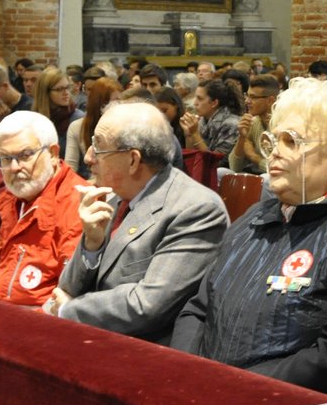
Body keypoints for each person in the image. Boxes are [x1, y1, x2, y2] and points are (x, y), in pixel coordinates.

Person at [173, 80, 327, 393]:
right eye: (274, 140)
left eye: (292, 142)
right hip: (202, 393)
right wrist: (194, 371)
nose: (275, 154)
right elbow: (197, 310)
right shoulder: (251, 221)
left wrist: (236, 387)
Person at [49, 101, 228, 343]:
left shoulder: (196, 209)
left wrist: (69, 310)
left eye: (98, 148)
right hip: (96, 338)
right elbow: (66, 288)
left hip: (148, 353)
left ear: (133, 160)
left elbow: (148, 305)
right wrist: (92, 244)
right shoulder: (114, 197)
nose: (89, 158)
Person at [0, 111, 85, 307]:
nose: (14, 167)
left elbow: (68, 298)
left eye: (25, 155)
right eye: (6, 159)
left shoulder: (78, 204)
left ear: (53, 154)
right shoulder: (14, 198)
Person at [65, 77, 122, 180]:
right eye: (116, 101)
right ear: (101, 103)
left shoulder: (124, 127)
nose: (120, 106)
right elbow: (70, 169)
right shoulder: (77, 127)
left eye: (121, 101)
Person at [229, 74, 280, 175]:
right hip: (257, 177)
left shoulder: (282, 124)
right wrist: (242, 138)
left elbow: (277, 170)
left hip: (277, 182)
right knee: (221, 172)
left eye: (253, 97)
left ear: (270, 100)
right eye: (247, 95)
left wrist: (253, 157)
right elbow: (234, 167)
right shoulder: (253, 121)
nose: (247, 101)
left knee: (265, 179)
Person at [181, 76, 242, 156]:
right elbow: (191, 158)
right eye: (195, 98)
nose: (195, 103)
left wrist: (195, 134)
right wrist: (189, 134)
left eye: (200, 99)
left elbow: (216, 162)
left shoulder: (231, 124)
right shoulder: (203, 119)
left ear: (214, 103)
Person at [33, 68, 78, 149]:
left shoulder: (77, 118)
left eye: (67, 87)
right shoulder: (35, 119)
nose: (66, 93)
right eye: (59, 89)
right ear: (45, 92)